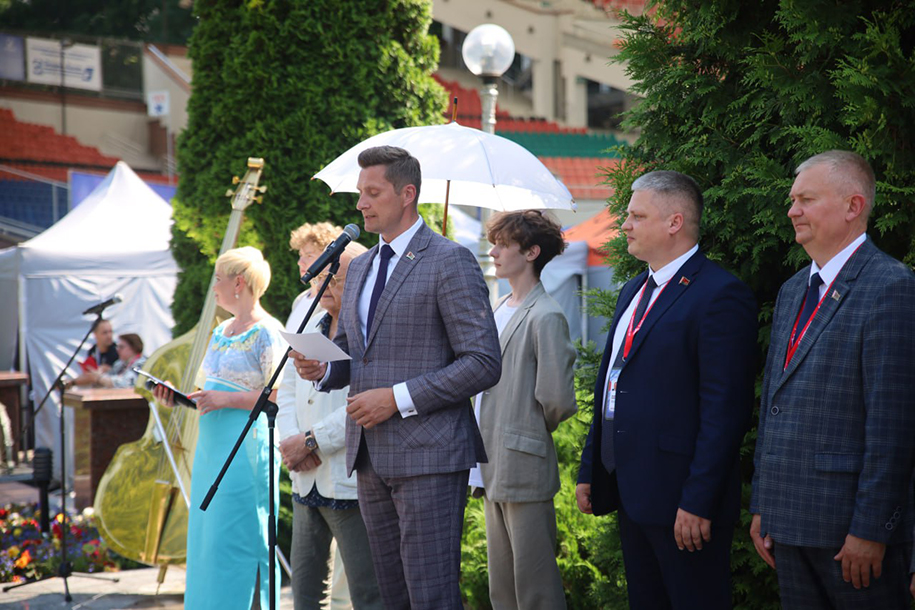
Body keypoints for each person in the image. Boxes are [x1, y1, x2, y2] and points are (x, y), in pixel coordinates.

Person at [294, 145, 502, 609]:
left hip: (430, 456)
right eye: (359, 193)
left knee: (431, 596)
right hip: (369, 456)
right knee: (393, 598)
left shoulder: (450, 260)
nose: (360, 204)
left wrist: (398, 397)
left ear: (407, 194)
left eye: (373, 192)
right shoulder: (360, 266)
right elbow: (353, 353)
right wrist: (323, 368)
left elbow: (483, 361)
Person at [576, 170, 758, 609]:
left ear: (675, 222)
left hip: (683, 505)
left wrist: (698, 500)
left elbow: (724, 412)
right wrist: (590, 467)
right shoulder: (633, 290)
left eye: (637, 216)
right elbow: (612, 382)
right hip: (631, 492)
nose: (625, 225)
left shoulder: (720, 294)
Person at [749, 150, 915, 609]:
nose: (792, 211)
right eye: (792, 200)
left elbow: (893, 426)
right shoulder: (792, 291)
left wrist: (871, 529)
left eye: (806, 199)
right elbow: (773, 408)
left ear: (852, 206)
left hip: (850, 537)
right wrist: (764, 504)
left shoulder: (891, 286)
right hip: (788, 525)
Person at [153, 246, 286, 610]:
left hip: (246, 448)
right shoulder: (220, 330)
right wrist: (178, 398)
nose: (213, 287)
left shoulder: (268, 332)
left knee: (239, 537)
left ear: (238, 283)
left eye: (218, 279)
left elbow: (279, 394)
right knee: (208, 539)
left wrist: (226, 399)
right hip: (211, 449)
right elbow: (208, 390)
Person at [471, 210, 577, 610]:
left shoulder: (546, 315)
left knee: (536, 591)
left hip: (523, 463)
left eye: (503, 245)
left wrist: (524, 429)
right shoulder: (500, 305)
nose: (493, 252)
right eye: (494, 243)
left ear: (531, 252)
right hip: (490, 462)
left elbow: (558, 400)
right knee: (502, 589)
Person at [278, 239, 382, 610]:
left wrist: (311, 441)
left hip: (348, 478)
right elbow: (287, 388)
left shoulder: (371, 332)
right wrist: (291, 441)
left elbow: (365, 403)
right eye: (322, 276)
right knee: (304, 592)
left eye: (335, 278)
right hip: (305, 476)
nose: (325, 284)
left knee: (366, 592)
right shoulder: (310, 322)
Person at [286, 222, 343, 333]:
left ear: (328, 259)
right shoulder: (300, 299)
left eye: (309, 256)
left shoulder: (331, 299)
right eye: (300, 255)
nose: (300, 262)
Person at [70, 318, 117, 385]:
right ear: (95, 334)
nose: (109, 336)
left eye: (110, 332)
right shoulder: (93, 351)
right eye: (105, 333)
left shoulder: (117, 351)